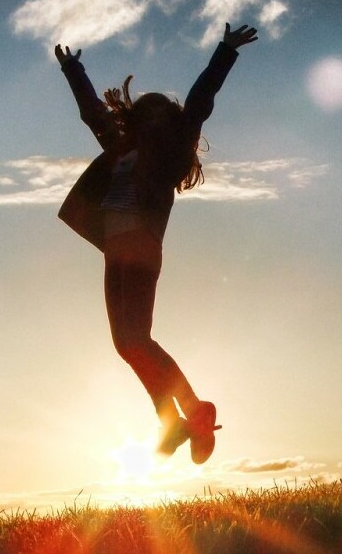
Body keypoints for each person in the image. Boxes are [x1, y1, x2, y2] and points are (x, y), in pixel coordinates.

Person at [55, 23, 258, 464]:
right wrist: (73, 70)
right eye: (144, 112)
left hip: (142, 246)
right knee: (127, 342)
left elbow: (200, 104)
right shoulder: (120, 145)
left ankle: (185, 414)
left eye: (156, 112)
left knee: (138, 338)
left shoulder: (169, 152)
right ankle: (182, 418)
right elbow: (94, 114)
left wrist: (225, 51)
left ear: (164, 120)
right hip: (115, 248)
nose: (149, 116)